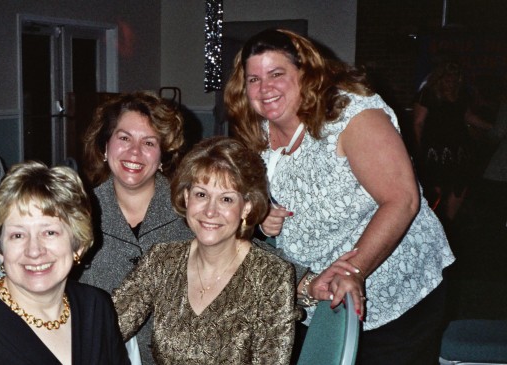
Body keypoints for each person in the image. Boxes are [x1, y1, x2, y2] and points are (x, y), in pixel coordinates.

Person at [224, 29, 455, 364]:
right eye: (253, 79)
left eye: (277, 74)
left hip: (396, 294)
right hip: (316, 297)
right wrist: (264, 213)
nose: (265, 88)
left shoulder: (350, 115)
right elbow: (263, 193)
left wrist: (354, 271)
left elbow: (401, 200)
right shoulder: (256, 129)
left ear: (304, 74)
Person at [111, 136, 305, 364]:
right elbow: (105, 329)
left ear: (247, 207)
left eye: (226, 199)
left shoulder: (271, 276)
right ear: (186, 197)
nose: (210, 211)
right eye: (201, 195)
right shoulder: (162, 260)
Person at [0, 161, 129, 365]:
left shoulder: (96, 308)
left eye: (49, 232)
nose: (34, 250)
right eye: (17, 235)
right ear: (0, 249)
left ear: (77, 244)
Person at [80, 91, 194, 364]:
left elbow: (239, 250)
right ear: (105, 147)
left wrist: (304, 281)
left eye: (149, 142)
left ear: (162, 155)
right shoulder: (78, 212)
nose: (134, 152)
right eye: (124, 138)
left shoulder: (190, 208)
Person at [414, 60, 493, 226]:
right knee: (435, 190)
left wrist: (493, 127)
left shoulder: (461, 96)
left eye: (454, 78)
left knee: (459, 188)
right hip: (435, 151)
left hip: (459, 151)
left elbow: (468, 117)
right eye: (447, 78)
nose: (450, 82)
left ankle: (448, 227)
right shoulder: (428, 95)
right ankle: (430, 227)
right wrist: (416, 148)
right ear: (440, 78)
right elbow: (418, 122)